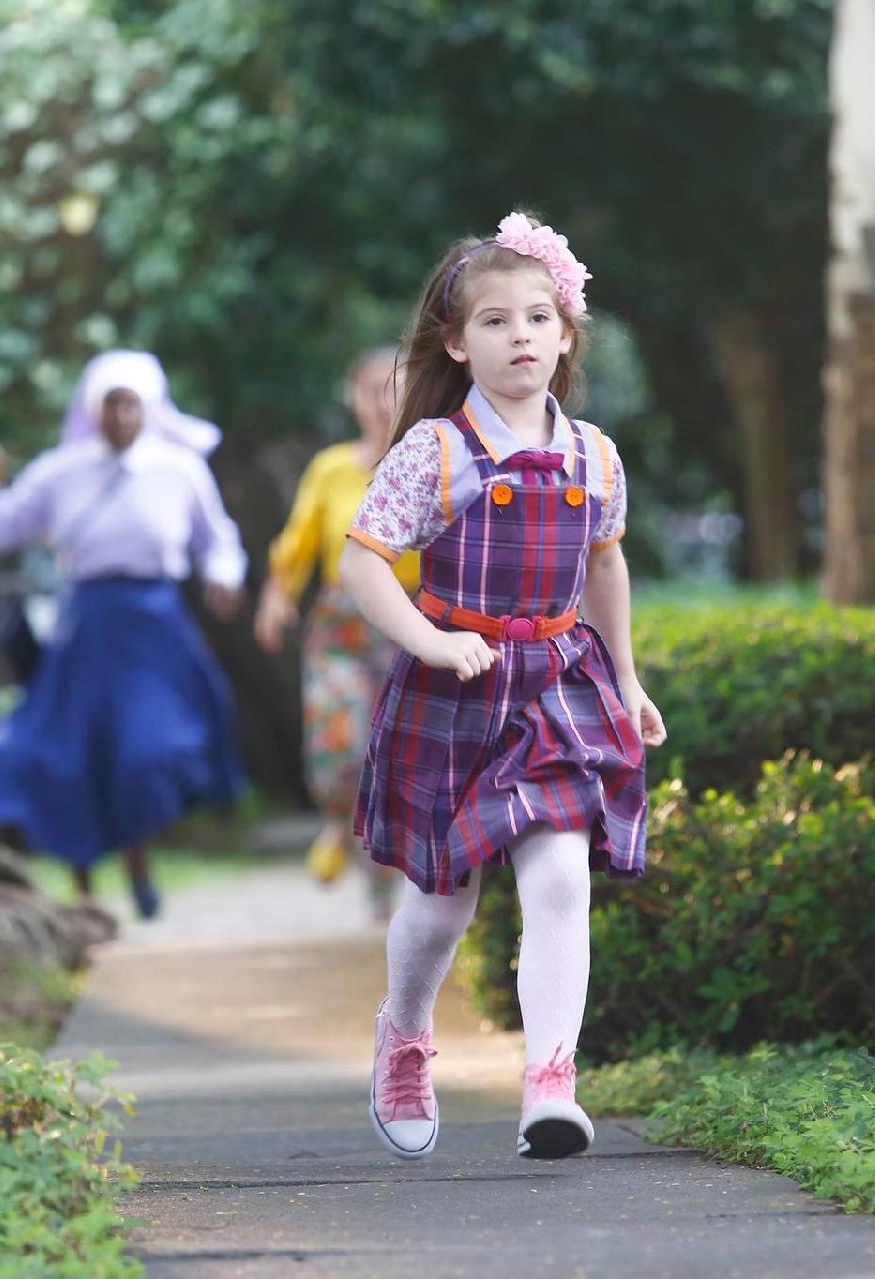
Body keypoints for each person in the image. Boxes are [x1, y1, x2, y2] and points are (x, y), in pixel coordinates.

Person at [339, 213, 666, 1162]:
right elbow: (364, 563)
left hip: (557, 686)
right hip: (456, 692)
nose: (519, 335)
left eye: (538, 317)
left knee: (562, 877)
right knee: (443, 903)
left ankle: (551, 1080)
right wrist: (430, 639)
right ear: (455, 342)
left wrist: (629, 676)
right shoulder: (434, 452)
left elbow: (606, 567)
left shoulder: (594, 455)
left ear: (565, 335)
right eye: (494, 321)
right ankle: (404, 1032)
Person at [0, 350, 247, 921]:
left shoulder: (178, 467)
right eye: (109, 403)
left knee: (146, 749)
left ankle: (138, 862)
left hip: (154, 624)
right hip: (86, 624)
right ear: (93, 410)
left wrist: (223, 575)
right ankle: (85, 892)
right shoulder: (61, 470)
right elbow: (0, 532)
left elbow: (217, 538)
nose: (119, 415)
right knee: (71, 754)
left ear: (149, 408)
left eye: (130, 403)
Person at [254, 347, 417, 922]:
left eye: (392, 388)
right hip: (342, 624)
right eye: (369, 389)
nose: (381, 402)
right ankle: (333, 818)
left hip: (414, 622)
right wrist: (276, 598)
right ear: (350, 398)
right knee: (340, 748)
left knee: (396, 760)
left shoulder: (430, 460)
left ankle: (382, 890)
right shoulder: (330, 468)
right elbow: (296, 543)